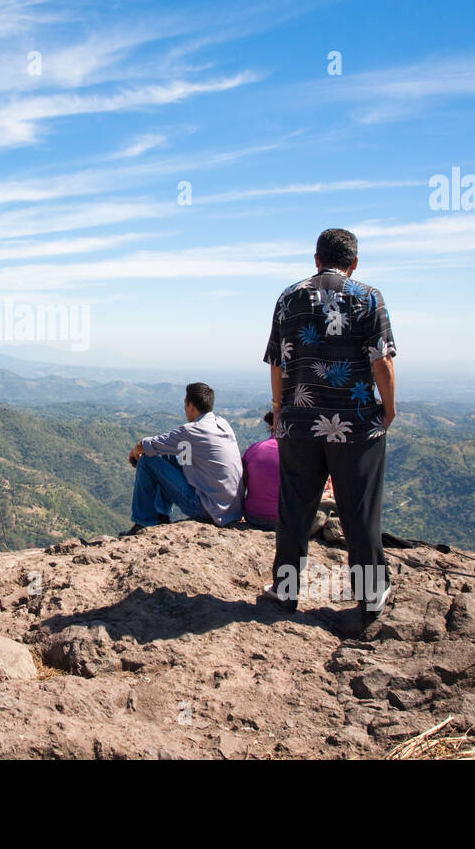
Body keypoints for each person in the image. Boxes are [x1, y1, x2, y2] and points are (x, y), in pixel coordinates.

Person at [262, 228, 396, 622]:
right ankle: (371, 595)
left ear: (316, 259)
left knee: (294, 510)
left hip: (299, 423)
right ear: (354, 263)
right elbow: (382, 361)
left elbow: (277, 362)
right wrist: (387, 410)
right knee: (359, 511)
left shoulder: (289, 296)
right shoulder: (368, 297)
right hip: (355, 425)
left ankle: (286, 592)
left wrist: (280, 408)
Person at [123, 382, 245, 535]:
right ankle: (161, 515)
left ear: (191, 406)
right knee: (166, 454)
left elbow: (146, 445)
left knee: (147, 460)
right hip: (231, 508)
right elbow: (169, 448)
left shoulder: (192, 430)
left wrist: (134, 453)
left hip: (208, 508)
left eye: (185, 404)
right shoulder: (222, 423)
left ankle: (143, 522)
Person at [241, 411, 279, 531]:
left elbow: (241, 485)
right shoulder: (300, 454)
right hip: (286, 521)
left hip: (252, 516)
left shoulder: (254, 449)